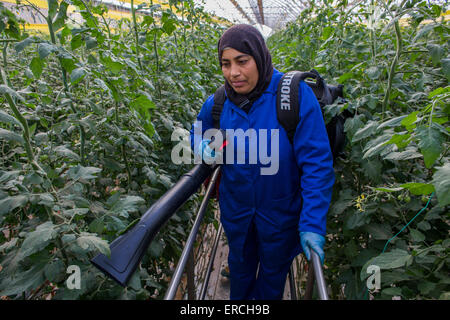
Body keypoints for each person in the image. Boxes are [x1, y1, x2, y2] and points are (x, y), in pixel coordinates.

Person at [189, 24, 334, 300]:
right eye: (226, 63)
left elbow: (317, 165)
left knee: (272, 276)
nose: (233, 73)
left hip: (280, 215)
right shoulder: (220, 102)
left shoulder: (293, 96)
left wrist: (313, 222)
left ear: (260, 57)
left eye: (242, 61)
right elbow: (197, 128)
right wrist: (199, 145)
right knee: (240, 270)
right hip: (237, 214)